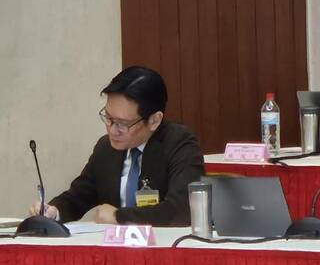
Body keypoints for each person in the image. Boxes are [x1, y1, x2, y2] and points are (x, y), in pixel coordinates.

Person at [30, 66, 204, 226]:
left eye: (122, 123)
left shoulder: (179, 144)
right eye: (108, 118)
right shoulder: (106, 147)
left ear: (154, 120)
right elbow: (79, 195)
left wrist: (119, 216)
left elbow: (182, 209)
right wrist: (54, 211)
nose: (112, 130)